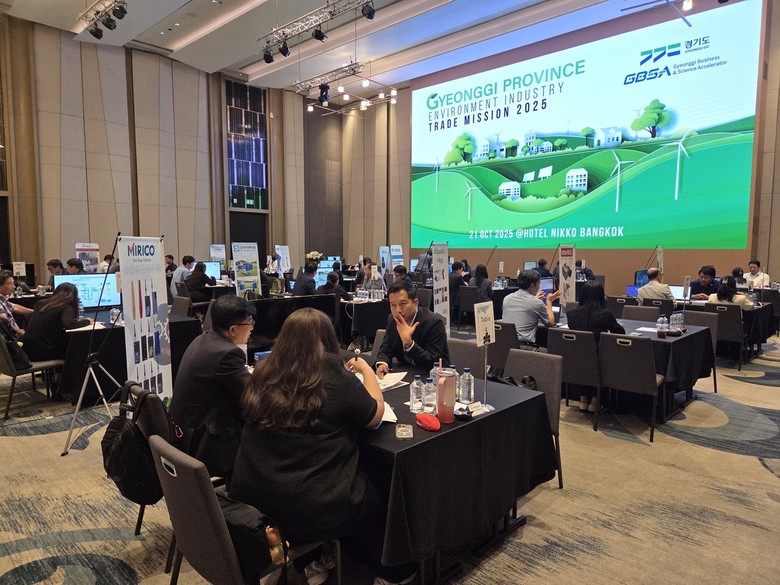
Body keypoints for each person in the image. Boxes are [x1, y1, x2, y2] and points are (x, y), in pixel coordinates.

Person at [230, 309, 415, 585]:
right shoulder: (330, 371)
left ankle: (311, 559)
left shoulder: (263, 371)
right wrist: (366, 370)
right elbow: (376, 415)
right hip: (313, 508)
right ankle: (395, 572)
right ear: (327, 338)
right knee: (384, 486)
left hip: (256, 502)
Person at [169, 295, 255, 479]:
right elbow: (254, 396)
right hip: (206, 443)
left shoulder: (202, 339)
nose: (252, 329)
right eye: (250, 323)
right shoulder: (228, 354)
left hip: (184, 433)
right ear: (233, 329)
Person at [565, 281, 625, 413]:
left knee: (584, 362)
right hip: (599, 357)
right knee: (602, 361)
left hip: (576, 357)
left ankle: (583, 400)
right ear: (601, 296)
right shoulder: (605, 314)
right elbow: (620, 332)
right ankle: (595, 402)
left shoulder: (571, 313)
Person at [375, 280, 449, 378]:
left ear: (415, 303)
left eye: (403, 304)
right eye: (393, 305)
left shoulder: (433, 323)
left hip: (432, 377)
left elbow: (432, 362)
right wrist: (382, 364)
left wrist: (409, 344)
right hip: (406, 372)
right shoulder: (393, 319)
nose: (398, 310)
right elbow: (386, 348)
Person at [22, 283, 91, 362]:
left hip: (28, 351)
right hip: (44, 352)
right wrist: (87, 321)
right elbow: (69, 324)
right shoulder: (66, 307)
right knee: (79, 350)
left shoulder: (41, 304)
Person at [502, 270, 562, 348]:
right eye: (539, 284)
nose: (539, 287)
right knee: (553, 352)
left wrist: (533, 299)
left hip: (506, 345)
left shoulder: (507, 298)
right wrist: (549, 301)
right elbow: (551, 323)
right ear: (532, 286)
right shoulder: (536, 303)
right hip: (524, 348)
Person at [0, 270, 34, 336]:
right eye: (10, 284)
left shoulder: (3, 300)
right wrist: (19, 332)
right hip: (12, 338)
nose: (14, 286)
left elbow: (14, 307)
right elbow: (5, 325)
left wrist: (34, 311)